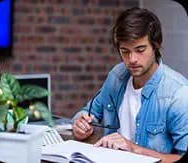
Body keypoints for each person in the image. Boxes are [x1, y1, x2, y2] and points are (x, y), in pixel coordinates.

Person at [72, 7, 188, 162]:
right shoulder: (116, 76)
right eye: (125, 51)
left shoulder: (178, 94)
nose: (132, 59)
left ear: (156, 46)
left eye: (140, 50)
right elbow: (89, 112)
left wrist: (134, 149)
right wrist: (80, 125)